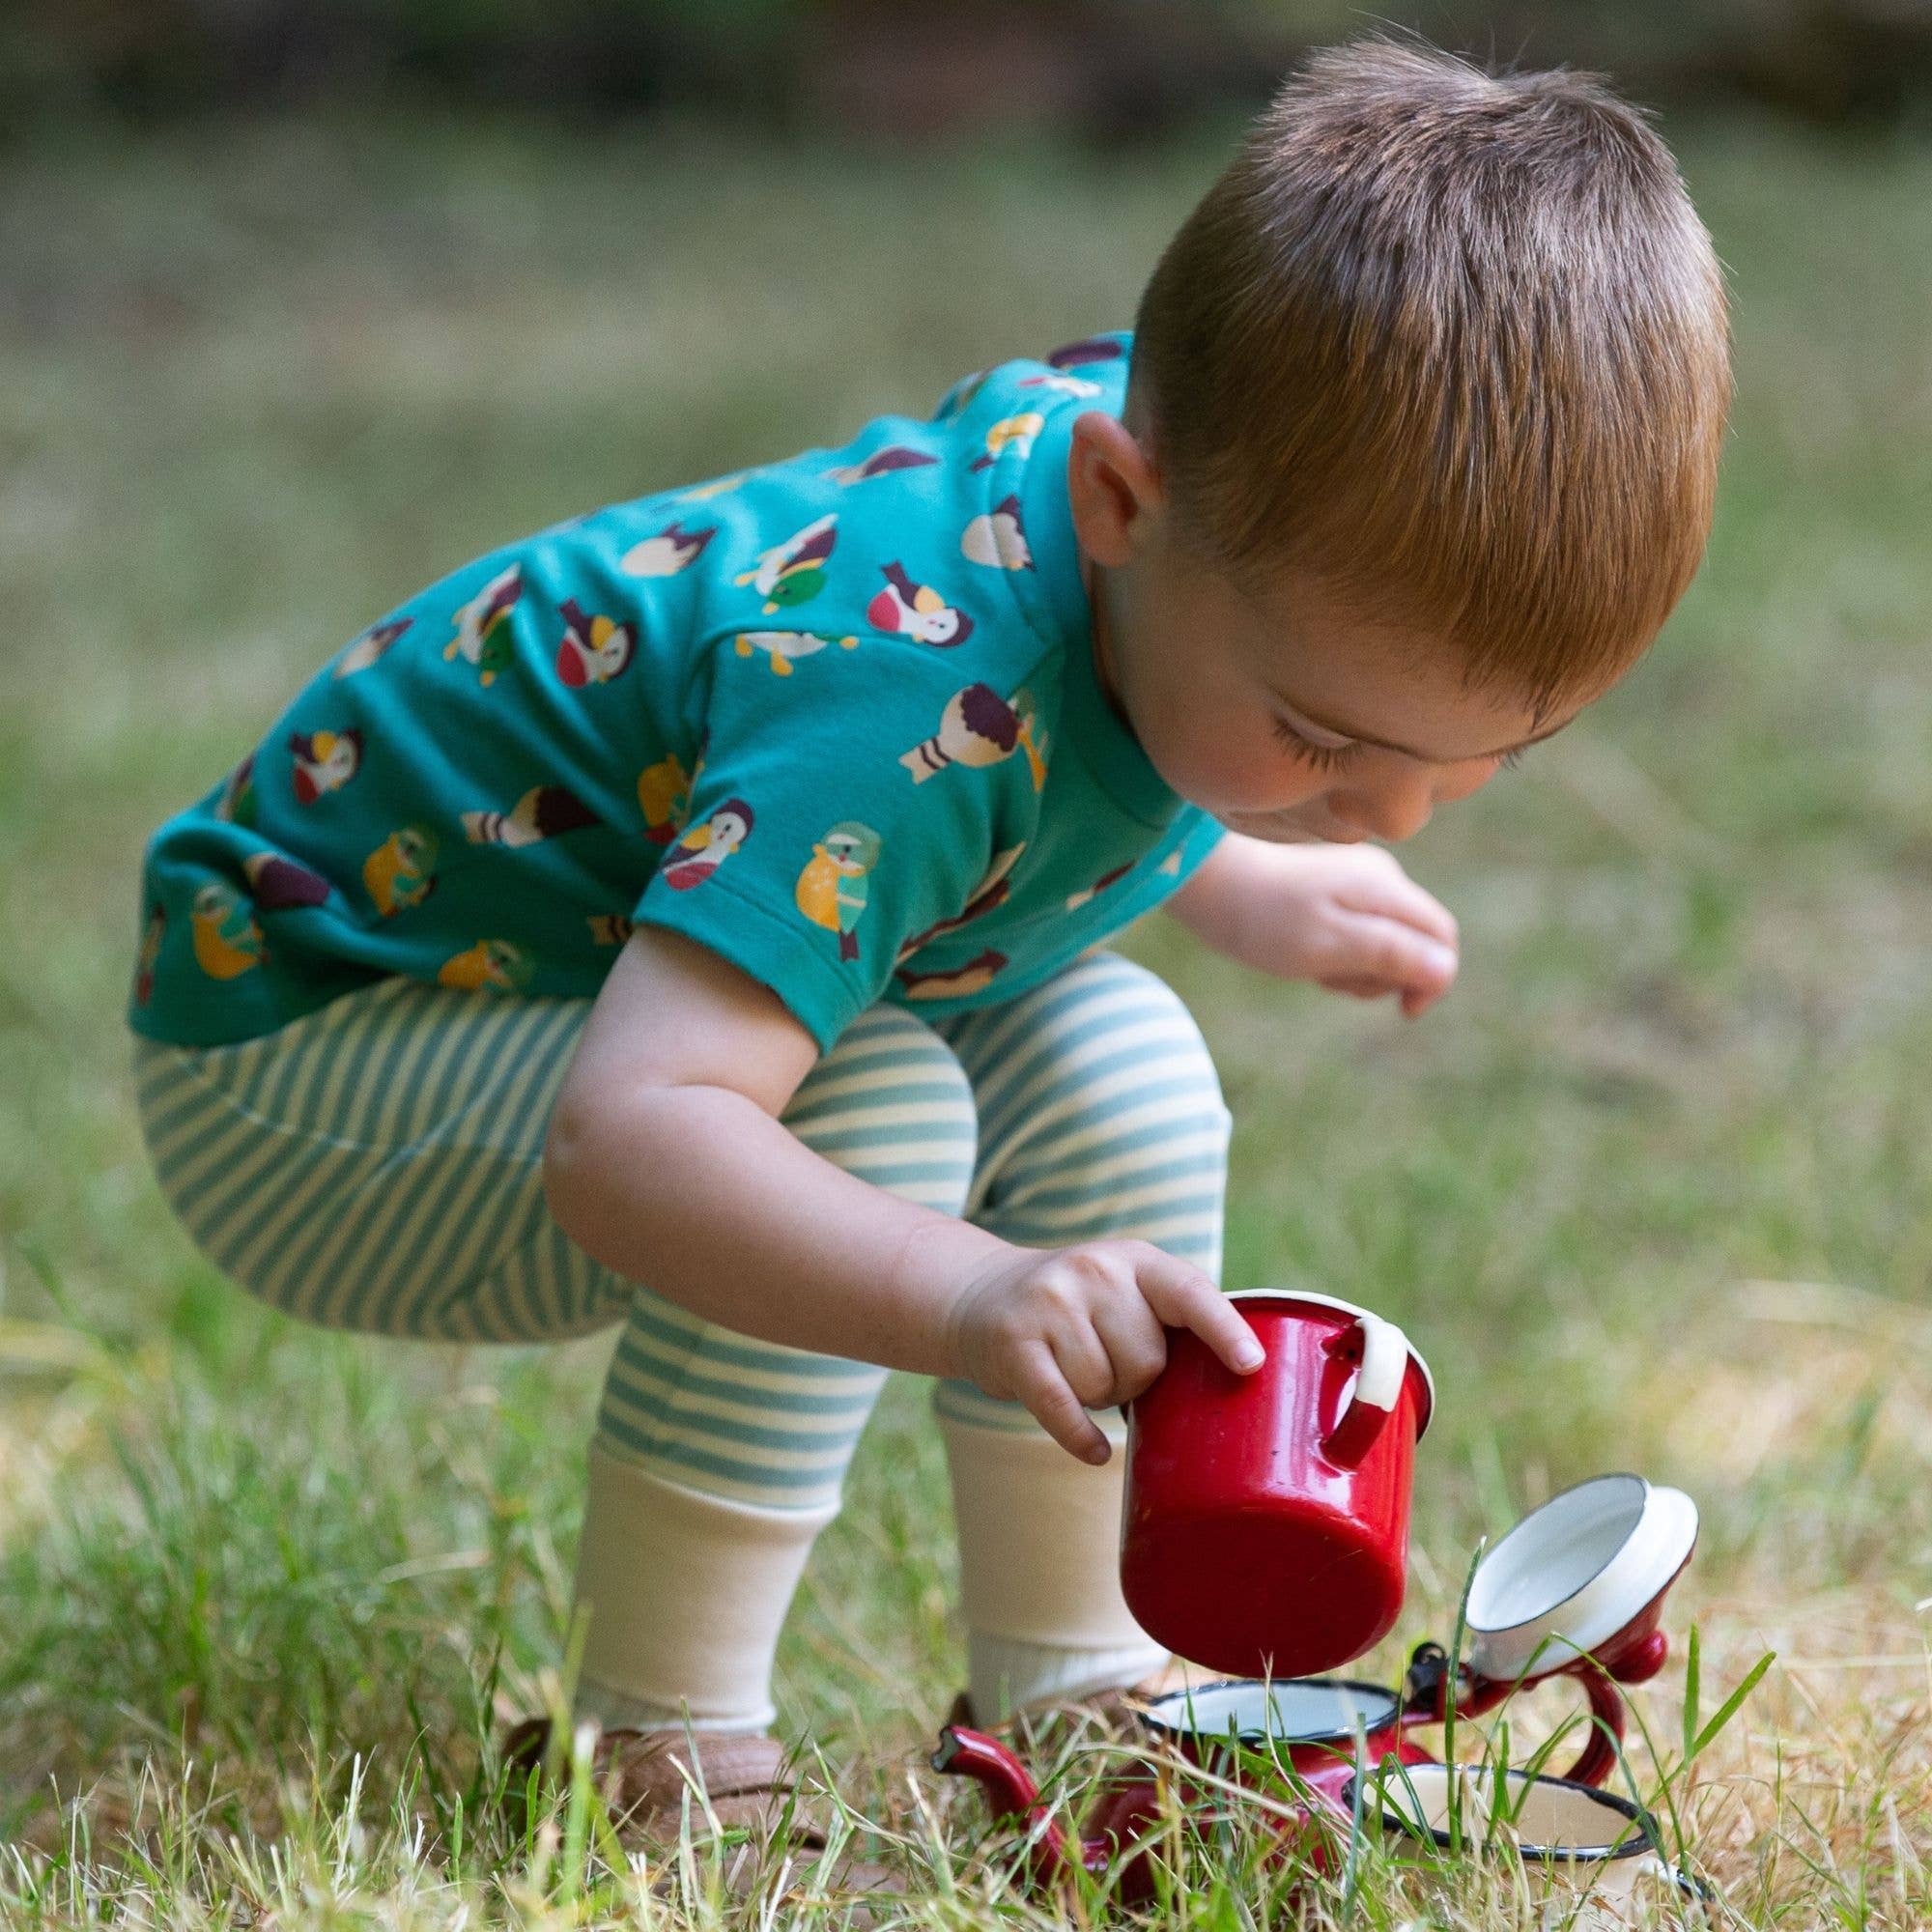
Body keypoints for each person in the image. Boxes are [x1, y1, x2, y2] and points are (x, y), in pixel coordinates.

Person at [128, 37, 1729, 1853]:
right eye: (1326, 741)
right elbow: (636, 1139)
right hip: (303, 1056)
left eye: (1483, 762)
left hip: (562, 992)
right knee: (866, 1107)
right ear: (1125, 503)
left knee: (1124, 1058)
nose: (1396, 813)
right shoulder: (893, 700)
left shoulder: (1181, 506)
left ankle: (1076, 1684)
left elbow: (1073, 741)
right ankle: (650, 1750)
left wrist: (1238, 869)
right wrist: (969, 1297)